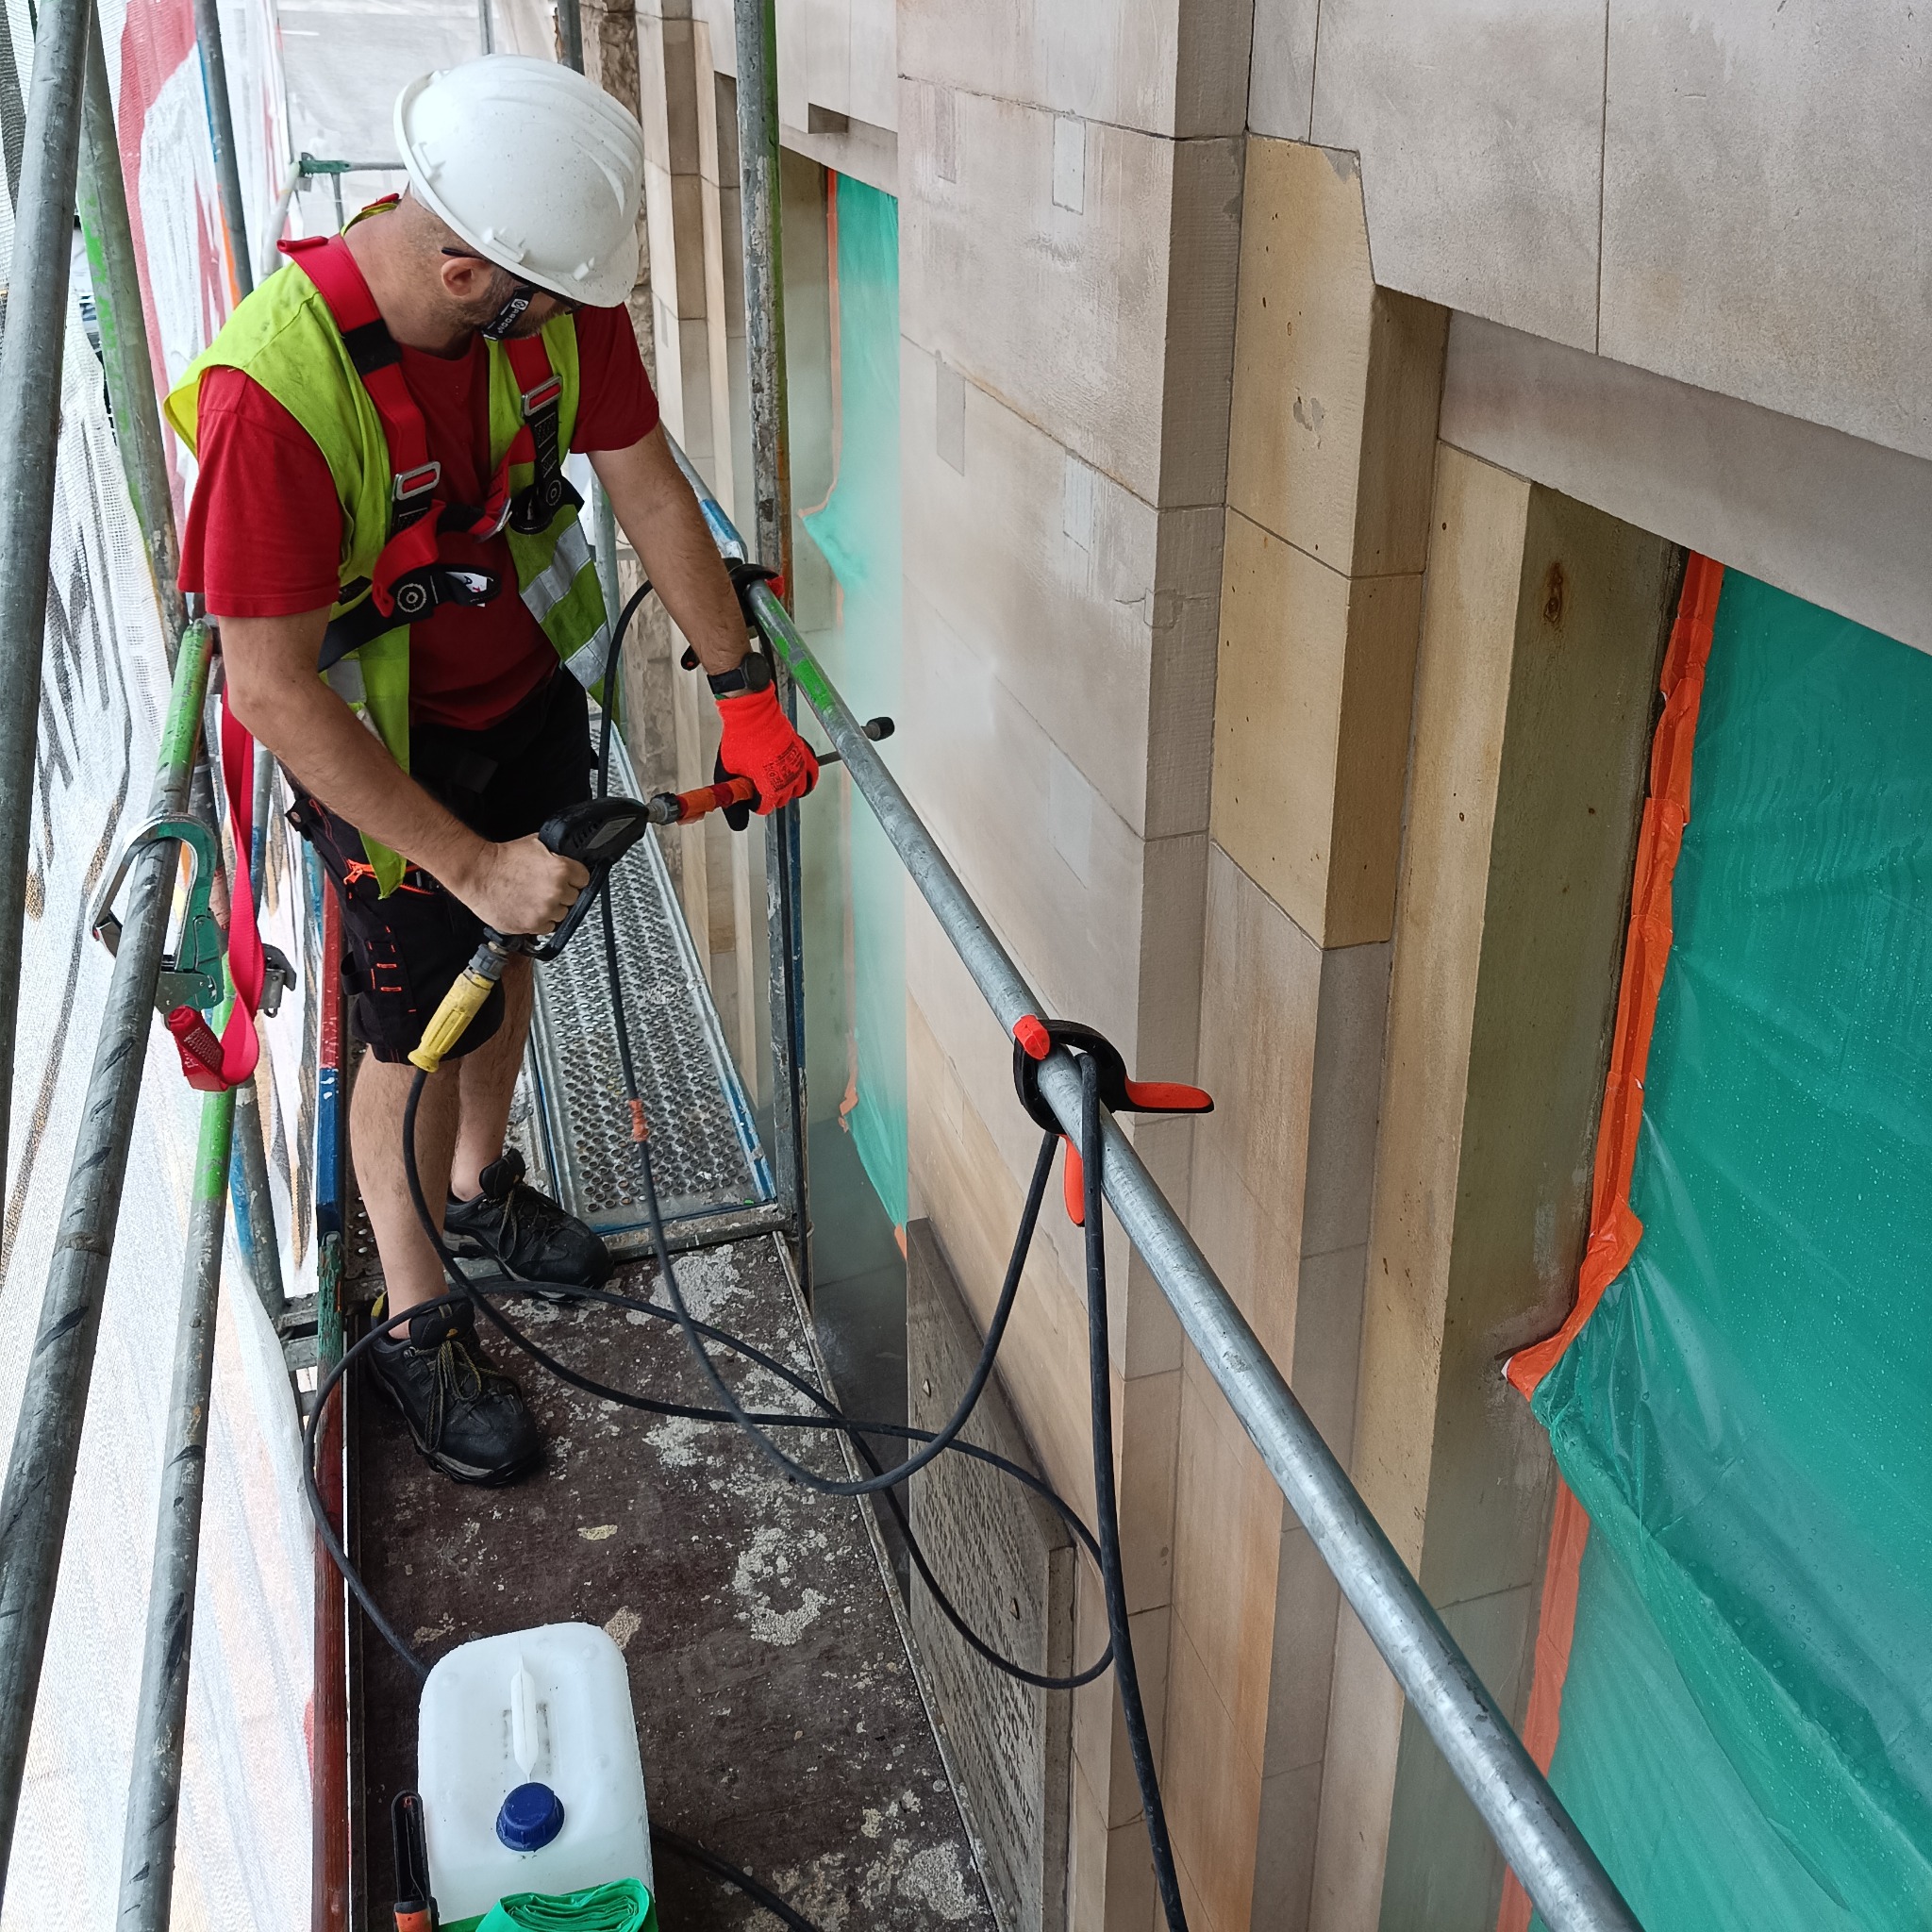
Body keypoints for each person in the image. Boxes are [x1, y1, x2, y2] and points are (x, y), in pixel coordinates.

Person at [165, 56, 817, 1487]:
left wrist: (745, 692)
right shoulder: (272, 402)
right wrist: (463, 861)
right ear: (469, 269)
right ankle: (416, 1316)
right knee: (409, 1034)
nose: (579, 323)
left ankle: (479, 1185)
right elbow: (270, 685)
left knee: (516, 955)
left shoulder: (542, 303)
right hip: (380, 761)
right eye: (548, 298)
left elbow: (645, 479)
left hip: (517, 695)